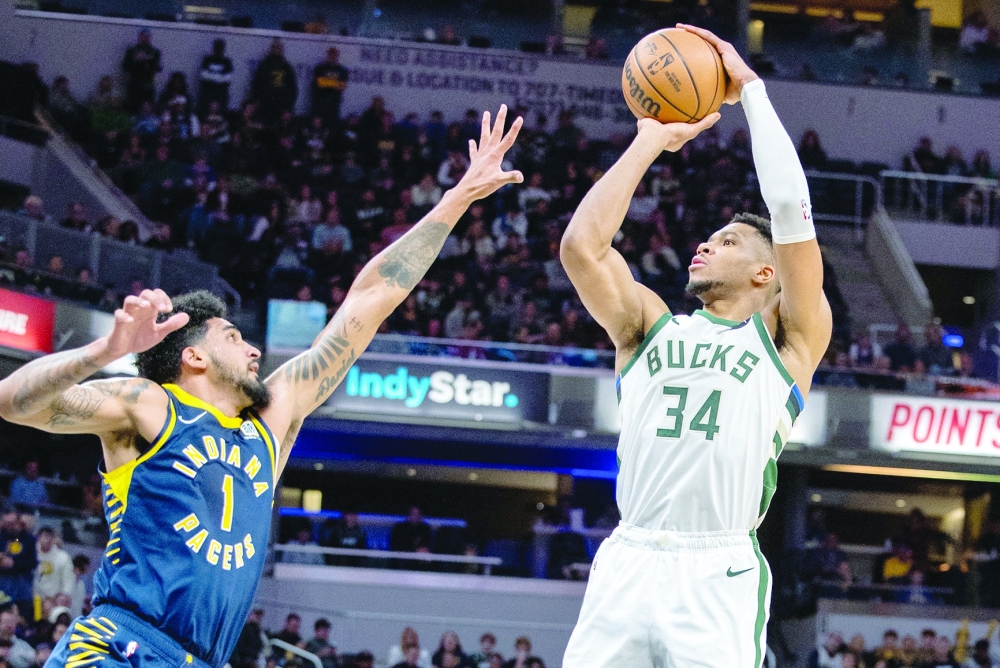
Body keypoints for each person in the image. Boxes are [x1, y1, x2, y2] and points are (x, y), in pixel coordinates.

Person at [0, 105, 522, 668]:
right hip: (118, 647)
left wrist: (457, 200)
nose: (253, 349)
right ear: (193, 355)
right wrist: (104, 352)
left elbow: (370, 298)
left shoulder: (269, 422)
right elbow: (14, 400)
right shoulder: (150, 406)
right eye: (234, 336)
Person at [559, 25, 831, 668]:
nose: (705, 245)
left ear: (768, 275)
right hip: (628, 557)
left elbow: (791, 206)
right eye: (708, 238)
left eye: (729, 242)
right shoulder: (649, 328)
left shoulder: (787, 341)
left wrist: (752, 92)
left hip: (718, 568)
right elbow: (580, 249)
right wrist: (647, 140)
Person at [252, 39, 298, 123]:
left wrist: (289, 107)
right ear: (270, 50)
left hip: (281, 105)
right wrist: (255, 100)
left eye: (278, 48)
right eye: (274, 48)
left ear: (282, 50)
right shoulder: (264, 65)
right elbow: (256, 84)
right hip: (265, 103)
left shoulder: (287, 67)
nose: (276, 50)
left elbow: (292, 87)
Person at [0, 512, 37, 612]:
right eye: (7, 523)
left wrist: (14, 564)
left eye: (12, 523)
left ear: (18, 522)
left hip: (22, 584)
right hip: (2, 582)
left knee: (24, 611)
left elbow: (32, 563)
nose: (9, 527)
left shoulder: (29, 540)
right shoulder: (1, 537)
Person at [32, 527, 74, 612]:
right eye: (44, 537)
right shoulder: (32, 553)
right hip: (34, 598)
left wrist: (64, 595)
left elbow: (68, 579)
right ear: (38, 538)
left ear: (53, 539)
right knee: (37, 621)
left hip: (53, 599)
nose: (47, 540)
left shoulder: (63, 557)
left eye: (49, 537)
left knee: (50, 622)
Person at [121, 28, 162, 112]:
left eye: (147, 37)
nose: (145, 39)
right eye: (143, 36)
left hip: (148, 84)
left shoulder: (154, 52)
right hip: (134, 84)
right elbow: (125, 67)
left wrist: (148, 60)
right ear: (139, 37)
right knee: (133, 107)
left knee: (148, 107)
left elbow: (158, 68)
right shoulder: (132, 51)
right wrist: (137, 60)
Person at [311, 48, 349, 126]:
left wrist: (325, 82)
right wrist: (335, 83)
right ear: (328, 55)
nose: (332, 57)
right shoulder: (320, 68)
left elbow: (342, 85)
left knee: (332, 123)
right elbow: (317, 82)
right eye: (331, 54)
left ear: (337, 56)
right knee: (318, 122)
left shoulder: (342, 70)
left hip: (334, 100)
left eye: (334, 55)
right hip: (320, 99)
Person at [198, 39, 234, 115]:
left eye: (220, 48)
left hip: (221, 95)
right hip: (207, 94)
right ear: (213, 48)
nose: (218, 50)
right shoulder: (207, 60)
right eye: (216, 47)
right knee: (204, 114)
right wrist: (219, 77)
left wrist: (211, 76)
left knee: (220, 115)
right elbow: (203, 76)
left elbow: (227, 79)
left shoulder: (227, 62)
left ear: (223, 49)